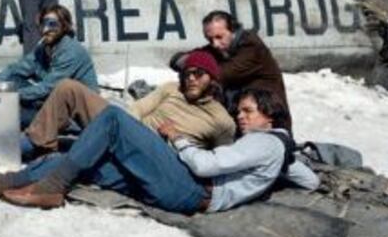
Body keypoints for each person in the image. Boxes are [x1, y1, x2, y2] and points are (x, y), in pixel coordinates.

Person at [0, 87, 318, 213]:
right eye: (241, 111)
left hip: (192, 187)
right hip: (182, 191)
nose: (241, 117)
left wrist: (179, 138)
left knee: (112, 119)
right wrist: (287, 161)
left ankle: (52, 188)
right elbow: (311, 181)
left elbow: (207, 166)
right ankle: (1, 182)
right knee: (88, 159)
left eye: (249, 112)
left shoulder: (263, 142)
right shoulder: (276, 149)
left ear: (270, 117)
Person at [19, 49, 235, 158]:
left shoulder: (221, 121)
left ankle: (35, 146)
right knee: (68, 88)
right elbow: (138, 108)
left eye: (198, 74)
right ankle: (35, 143)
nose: (191, 79)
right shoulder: (172, 88)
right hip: (129, 130)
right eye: (187, 74)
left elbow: (219, 162)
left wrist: (176, 140)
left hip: (154, 155)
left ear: (212, 79)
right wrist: (128, 129)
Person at [174, 10, 291, 124]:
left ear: (233, 31)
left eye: (219, 37)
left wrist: (197, 65)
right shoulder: (220, 48)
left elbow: (220, 74)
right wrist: (192, 62)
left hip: (268, 122)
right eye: (210, 39)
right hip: (244, 119)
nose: (215, 44)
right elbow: (177, 60)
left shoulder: (252, 48)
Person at [0, 6, 98, 127]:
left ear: (64, 26)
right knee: (11, 79)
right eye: (43, 24)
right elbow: (17, 68)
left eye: (52, 24)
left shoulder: (71, 51)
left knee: (15, 117)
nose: (45, 29)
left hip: (75, 110)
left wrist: (10, 95)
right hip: (51, 99)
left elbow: (46, 88)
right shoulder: (44, 47)